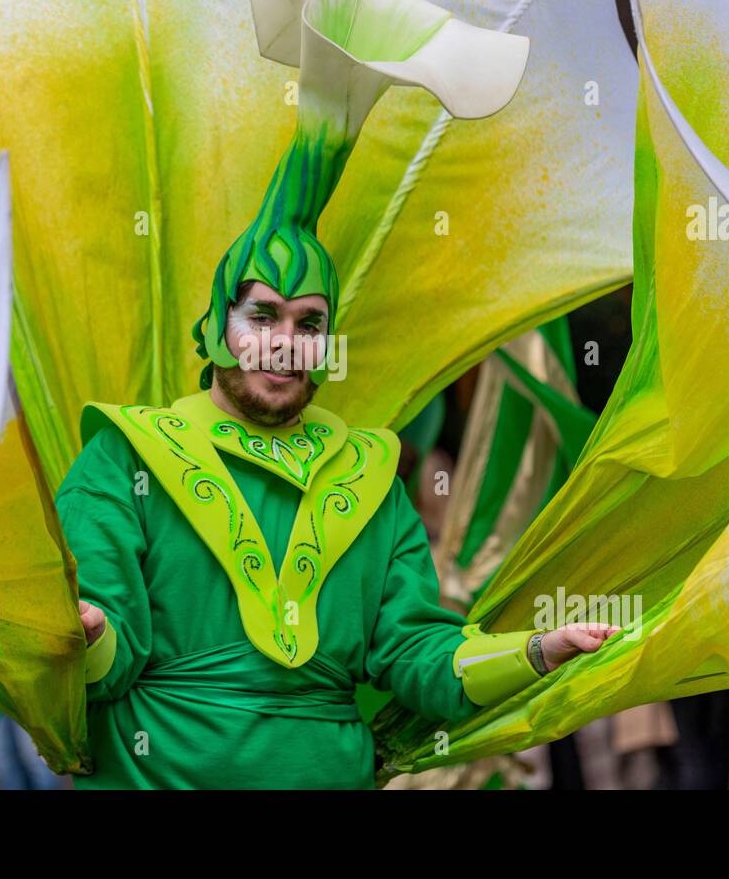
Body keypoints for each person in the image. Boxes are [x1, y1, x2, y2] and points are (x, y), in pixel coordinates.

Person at [56, 227, 615, 788]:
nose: (286, 342)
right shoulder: (124, 456)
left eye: (310, 324)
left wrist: (538, 651)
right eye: (262, 317)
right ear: (216, 327)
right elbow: (101, 663)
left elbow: (414, 651)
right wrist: (84, 635)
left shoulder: (371, 474)